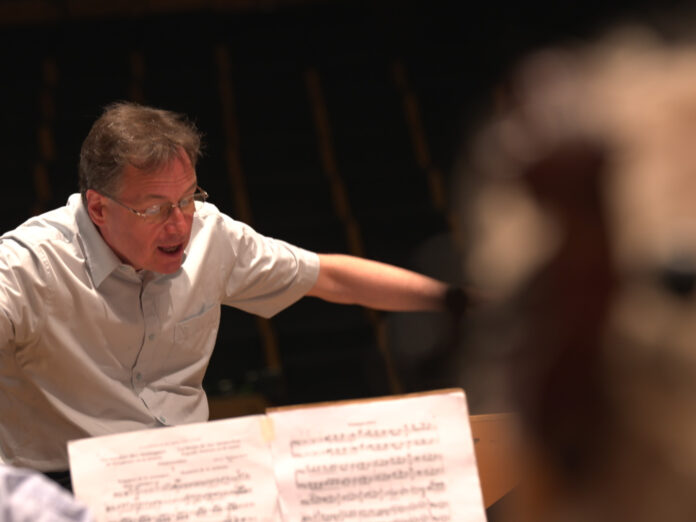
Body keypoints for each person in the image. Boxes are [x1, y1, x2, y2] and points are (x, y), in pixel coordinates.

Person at [0, 102, 464, 490]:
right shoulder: (27, 265)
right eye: (155, 209)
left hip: (190, 472)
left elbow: (332, 278)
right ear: (99, 207)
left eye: (187, 198)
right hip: (61, 487)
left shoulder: (210, 233)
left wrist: (461, 302)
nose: (180, 224)